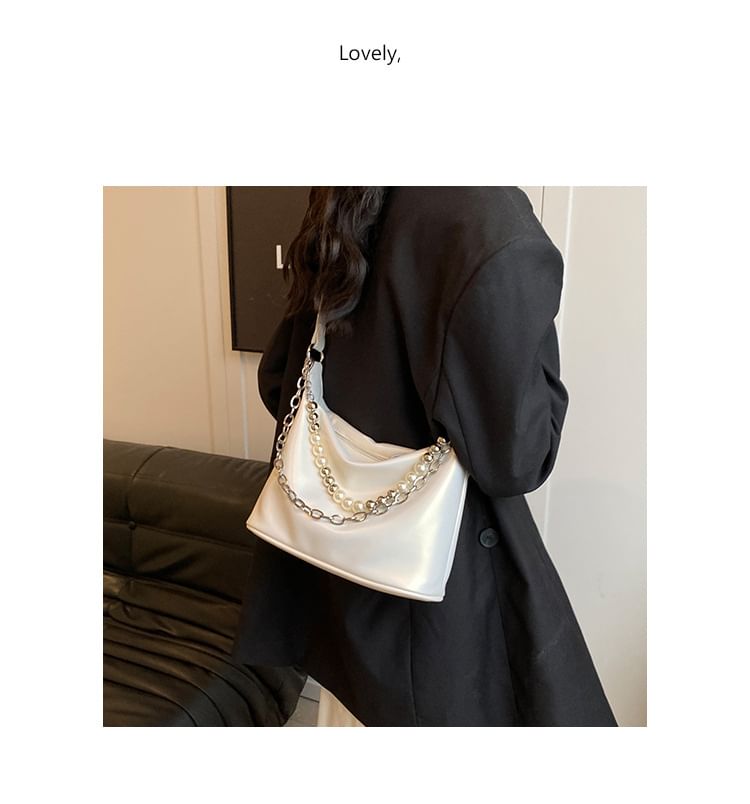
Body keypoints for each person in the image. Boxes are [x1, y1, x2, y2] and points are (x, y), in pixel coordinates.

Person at [231, 187, 618, 727]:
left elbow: (280, 380)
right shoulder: (486, 218)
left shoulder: (350, 188)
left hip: (342, 601)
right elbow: (519, 457)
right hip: (436, 624)